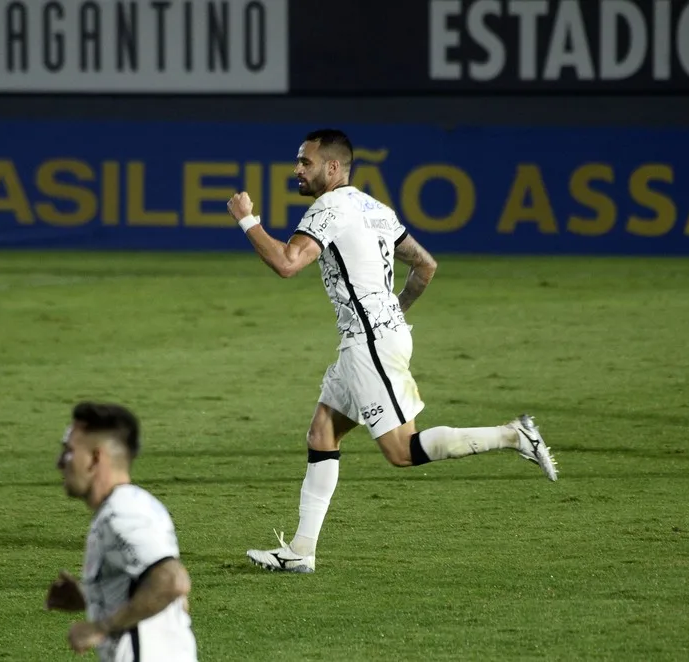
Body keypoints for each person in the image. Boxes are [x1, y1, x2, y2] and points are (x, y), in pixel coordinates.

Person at [227, 128, 558, 574]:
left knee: (400, 451)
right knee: (322, 432)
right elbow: (426, 265)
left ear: (332, 167)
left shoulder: (331, 207)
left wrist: (248, 220)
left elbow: (288, 263)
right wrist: (393, 312)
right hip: (371, 338)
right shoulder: (375, 209)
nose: (296, 170)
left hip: (371, 344)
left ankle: (514, 434)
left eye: (304, 162)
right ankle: (302, 550)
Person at [45, 402, 198, 661]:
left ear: (95, 458)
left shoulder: (123, 515)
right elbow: (166, 597)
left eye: (68, 452)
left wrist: (100, 627)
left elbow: (173, 582)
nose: (60, 463)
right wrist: (92, 597)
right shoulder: (136, 505)